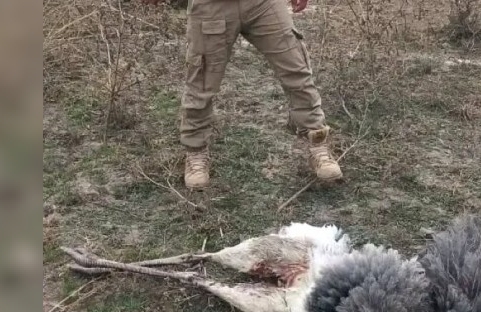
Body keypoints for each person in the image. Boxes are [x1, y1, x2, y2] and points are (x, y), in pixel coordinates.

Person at [144, 0, 343, 189]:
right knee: (201, 82)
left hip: (263, 5)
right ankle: (195, 153)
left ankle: (318, 144)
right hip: (211, 7)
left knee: (296, 70)